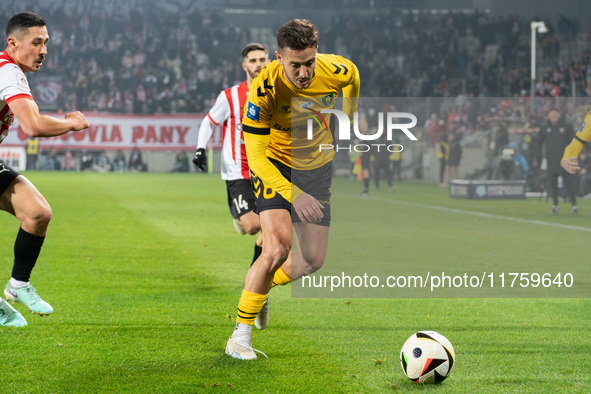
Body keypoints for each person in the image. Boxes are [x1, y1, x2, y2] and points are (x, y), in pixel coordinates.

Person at [225, 19, 360, 360]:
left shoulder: (337, 69)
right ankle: (239, 337)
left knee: (313, 259)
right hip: (276, 165)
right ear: (279, 57)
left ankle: (262, 289)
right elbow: (255, 157)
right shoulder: (264, 89)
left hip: (316, 169)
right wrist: (294, 195)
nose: (303, 72)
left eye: (309, 62)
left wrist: (349, 117)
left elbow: (354, 78)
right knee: (277, 249)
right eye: (295, 65)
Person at [0, 12, 89, 327]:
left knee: (38, 214)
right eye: (36, 42)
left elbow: (34, 118)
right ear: (13, 43)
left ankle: (17, 286)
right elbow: (34, 125)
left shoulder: (11, 71)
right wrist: (71, 123)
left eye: (46, 43)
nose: (44, 50)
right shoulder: (8, 72)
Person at [193, 43, 269, 265]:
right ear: (244, 65)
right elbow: (210, 121)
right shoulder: (231, 96)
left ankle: (255, 281)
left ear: (269, 62)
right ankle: (240, 216)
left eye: (262, 60)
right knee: (254, 226)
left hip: (267, 169)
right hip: (238, 170)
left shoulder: (277, 95)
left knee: (274, 229)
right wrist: (200, 148)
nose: (258, 65)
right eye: (253, 61)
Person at [539, 108, 577, 213]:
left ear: (559, 115)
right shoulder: (544, 127)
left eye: (556, 114)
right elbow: (539, 142)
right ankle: (555, 205)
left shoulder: (567, 126)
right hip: (551, 160)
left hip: (566, 160)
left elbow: (573, 142)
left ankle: (574, 205)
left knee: (569, 182)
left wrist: (574, 157)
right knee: (553, 183)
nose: (554, 116)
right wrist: (538, 158)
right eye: (552, 114)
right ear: (549, 115)